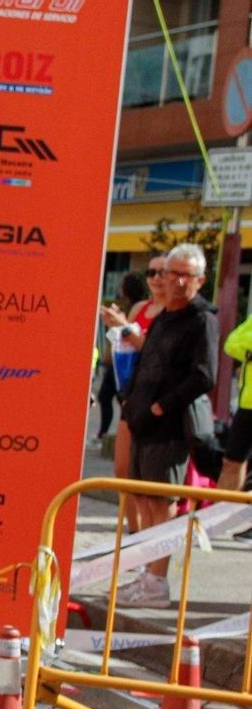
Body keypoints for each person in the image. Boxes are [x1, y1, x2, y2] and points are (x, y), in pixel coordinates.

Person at [119, 243, 218, 608]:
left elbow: (204, 375)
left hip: (170, 429)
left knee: (162, 505)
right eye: (167, 273)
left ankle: (158, 581)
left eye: (183, 276)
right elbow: (145, 362)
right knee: (143, 501)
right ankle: (147, 575)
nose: (173, 282)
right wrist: (130, 400)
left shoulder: (202, 319)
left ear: (199, 280)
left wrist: (162, 406)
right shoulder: (163, 317)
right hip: (142, 422)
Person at [102, 254, 167, 534]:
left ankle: (148, 542)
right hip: (131, 397)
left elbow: (155, 355)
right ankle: (133, 533)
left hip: (160, 403)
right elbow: (126, 350)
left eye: (161, 273)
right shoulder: (141, 307)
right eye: (150, 273)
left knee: (149, 479)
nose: (155, 278)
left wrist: (124, 328)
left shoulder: (174, 313)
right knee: (122, 470)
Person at [95, 272, 148, 440]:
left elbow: (129, 334)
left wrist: (120, 323)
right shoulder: (136, 306)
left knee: (114, 397)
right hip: (121, 361)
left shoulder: (139, 307)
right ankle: (106, 433)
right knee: (112, 397)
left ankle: (110, 433)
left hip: (125, 362)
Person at [219, 312, 252, 494]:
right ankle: (218, 518)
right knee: (231, 462)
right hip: (247, 404)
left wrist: (248, 350)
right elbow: (231, 344)